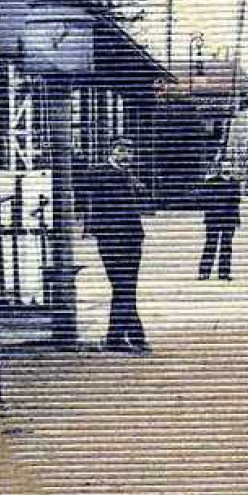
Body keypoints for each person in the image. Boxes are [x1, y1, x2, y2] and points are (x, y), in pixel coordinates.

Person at [80, 137, 149, 353]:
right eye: (122, 150)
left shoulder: (130, 176)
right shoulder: (98, 172)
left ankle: (119, 337)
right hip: (110, 238)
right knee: (123, 287)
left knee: (126, 288)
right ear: (111, 151)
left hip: (132, 238)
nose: (127, 155)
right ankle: (132, 336)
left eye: (130, 151)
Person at [197, 164, 241, 281]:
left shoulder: (235, 183)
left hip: (229, 219)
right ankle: (204, 272)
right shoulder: (211, 182)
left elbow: (237, 201)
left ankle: (224, 273)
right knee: (211, 244)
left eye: (229, 168)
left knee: (226, 246)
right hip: (214, 218)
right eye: (225, 168)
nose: (227, 170)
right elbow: (205, 199)